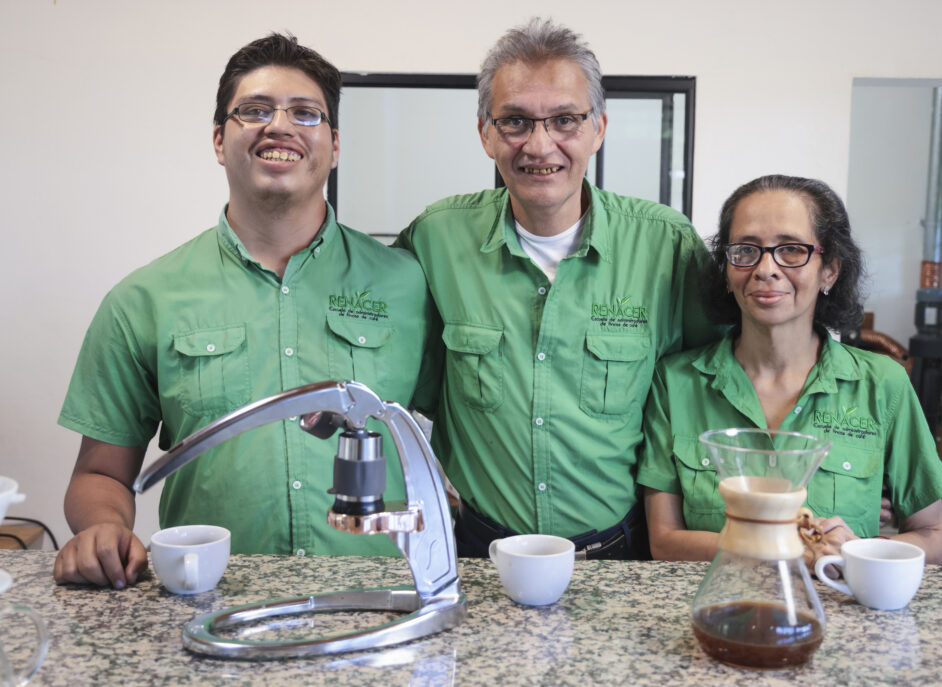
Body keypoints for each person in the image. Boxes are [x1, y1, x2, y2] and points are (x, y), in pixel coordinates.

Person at [54, 34, 433, 588]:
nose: (279, 126)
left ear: (333, 145)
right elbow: (97, 474)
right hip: (213, 602)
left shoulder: (407, 283)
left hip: (379, 600)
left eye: (306, 113)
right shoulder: (144, 298)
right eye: (254, 111)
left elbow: (464, 432)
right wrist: (103, 528)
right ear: (218, 139)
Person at [397, 18, 717, 559]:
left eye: (565, 120)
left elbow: (710, 384)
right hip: (478, 552)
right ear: (485, 133)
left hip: (620, 555)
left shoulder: (667, 246)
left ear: (598, 128)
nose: (540, 145)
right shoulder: (436, 239)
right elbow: (402, 370)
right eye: (515, 121)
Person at [637, 174, 942, 567]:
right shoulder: (676, 382)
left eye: (791, 250)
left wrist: (857, 552)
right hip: (716, 607)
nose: (766, 268)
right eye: (746, 250)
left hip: (838, 612)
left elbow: (934, 537)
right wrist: (783, 547)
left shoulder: (882, 384)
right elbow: (664, 542)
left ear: (830, 270)